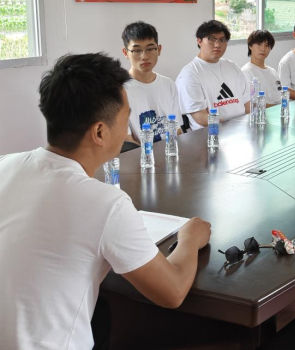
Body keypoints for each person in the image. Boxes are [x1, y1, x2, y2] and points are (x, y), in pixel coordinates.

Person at [0, 53, 211, 350]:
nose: (127, 129)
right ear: (100, 132)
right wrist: (189, 237)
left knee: (101, 314)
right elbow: (172, 292)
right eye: (125, 118)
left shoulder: (5, 165)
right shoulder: (105, 203)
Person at [176, 20, 251, 131]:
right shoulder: (189, 74)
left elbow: (248, 103)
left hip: (242, 130)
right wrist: (231, 129)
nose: (217, 45)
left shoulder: (232, 67)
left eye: (222, 40)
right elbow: (200, 117)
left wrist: (250, 126)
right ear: (199, 41)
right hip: (211, 134)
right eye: (211, 39)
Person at [121, 21, 182, 143]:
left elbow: (177, 129)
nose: (144, 56)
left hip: (170, 151)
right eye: (137, 50)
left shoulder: (169, 84)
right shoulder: (120, 90)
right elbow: (127, 140)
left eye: (150, 49)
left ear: (159, 50)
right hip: (140, 154)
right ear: (126, 53)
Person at [241, 29, 281, 106]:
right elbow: (250, 105)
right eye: (259, 44)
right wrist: (278, 107)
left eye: (267, 45)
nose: (263, 49)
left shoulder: (272, 71)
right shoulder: (246, 72)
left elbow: (280, 96)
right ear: (250, 46)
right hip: (263, 112)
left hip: (279, 109)